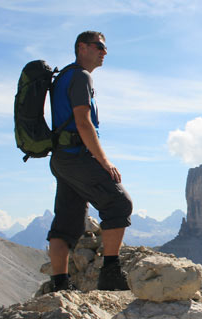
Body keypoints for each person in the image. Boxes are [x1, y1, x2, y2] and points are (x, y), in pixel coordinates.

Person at [47, 31, 132, 292]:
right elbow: (83, 122)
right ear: (82, 47)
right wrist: (104, 162)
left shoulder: (63, 77)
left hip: (61, 159)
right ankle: (110, 273)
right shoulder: (81, 76)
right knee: (119, 203)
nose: (104, 52)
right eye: (100, 47)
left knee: (66, 224)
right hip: (77, 157)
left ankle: (60, 284)